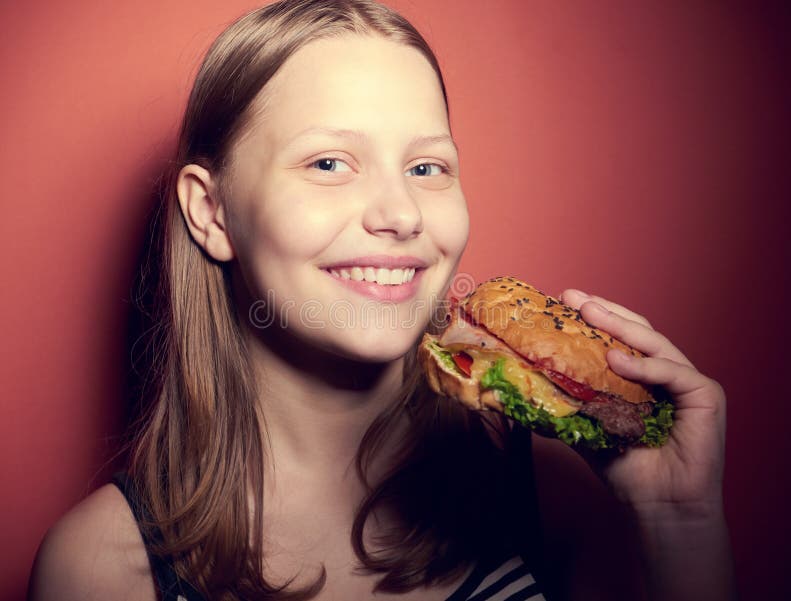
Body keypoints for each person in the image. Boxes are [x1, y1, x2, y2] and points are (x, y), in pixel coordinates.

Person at [27, 1, 737, 600]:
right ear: (212, 212)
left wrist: (680, 522)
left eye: (427, 166)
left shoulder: (547, 493)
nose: (401, 212)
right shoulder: (101, 569)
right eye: (330, 162)